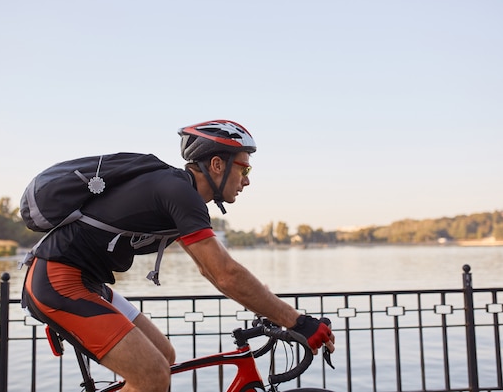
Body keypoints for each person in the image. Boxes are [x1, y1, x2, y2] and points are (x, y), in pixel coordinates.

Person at [21, 120, 335, 392]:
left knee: (164, 357)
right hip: (58, 281)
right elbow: (225, 273)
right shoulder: (177, 192)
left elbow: (213, 272)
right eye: (245, 167)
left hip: (89, 284)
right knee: (151, 375)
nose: (248, 179)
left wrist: (273, 311)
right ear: (216, 165)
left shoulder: (180, 196)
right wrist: (298, 321)